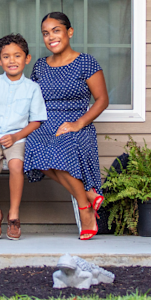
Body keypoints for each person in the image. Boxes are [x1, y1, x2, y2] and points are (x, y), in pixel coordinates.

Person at [24, 12, 109, 240]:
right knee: (33, 147)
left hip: (77, 124)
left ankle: (86, 212)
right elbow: (31, 99)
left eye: (56, 30)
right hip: (44, 124)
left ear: (69, 32)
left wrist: (77, 124)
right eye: (45, 33)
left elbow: (102, 100)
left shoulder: (86, 62)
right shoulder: (41, 66)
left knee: (61, 149)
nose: (50, 36)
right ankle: (88, 198)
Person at [0, 34, 47, 240]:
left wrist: (16, 137)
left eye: (17, 56)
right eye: (6, 57)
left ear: (27, 58)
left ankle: (14, 215)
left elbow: (36, 120)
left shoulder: (32, 88)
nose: (12, 61)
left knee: (16, 165)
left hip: (18, 136)